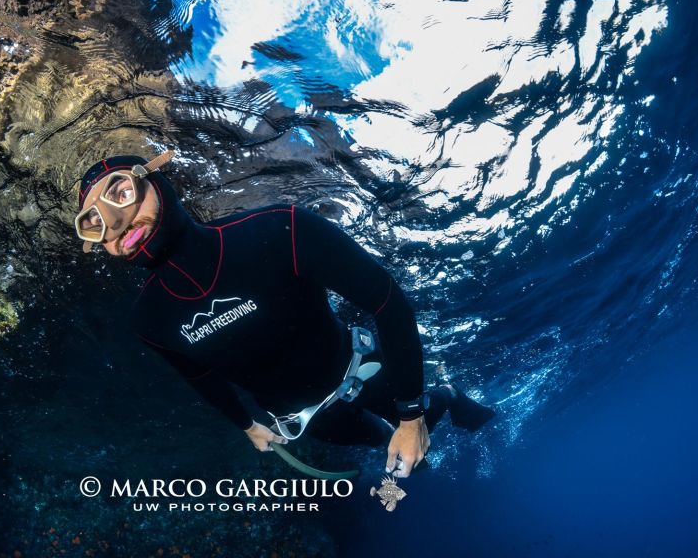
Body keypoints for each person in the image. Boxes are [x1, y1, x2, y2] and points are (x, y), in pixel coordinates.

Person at [74, 151, 495, 479]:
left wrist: (411, 415)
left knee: (420, 432)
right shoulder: (150, 320)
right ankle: (409, 426)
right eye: (93, 221)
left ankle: (446, 396)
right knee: (407, 462)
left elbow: (388, 302)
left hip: (365, 373)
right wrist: (246, 425)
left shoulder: (279, 229)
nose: (113, 222)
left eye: (121, 192)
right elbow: (200, 377)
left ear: (157, 182)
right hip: (309, 420)